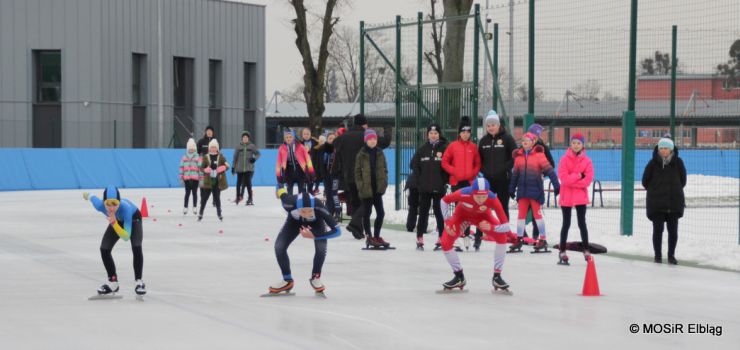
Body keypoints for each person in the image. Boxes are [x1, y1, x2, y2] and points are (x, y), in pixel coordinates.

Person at [438, 178, 515, 292]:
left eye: (484, 197)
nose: (481, 200)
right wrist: (448, 221)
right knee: (445, 242)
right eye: (478, 196)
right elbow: (444, 201)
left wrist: (492, 228)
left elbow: (506, 226)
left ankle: (497, 277)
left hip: (483, 218)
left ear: (488, 193)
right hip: (461, 217)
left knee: (502, 236)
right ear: (471, 193)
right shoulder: (463, 193)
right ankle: (459, 276)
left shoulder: (492, 198)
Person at [267, 188, 342, 295]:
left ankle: (316, 277)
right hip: (294, 222)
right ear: (297, 207)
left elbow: (338, 231)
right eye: (303, 211)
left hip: (317, 224)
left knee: (321, 248)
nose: (307, 214)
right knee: (279, 246)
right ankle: (287, 280)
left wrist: (315, 236)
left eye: (309, 210)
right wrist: (278, 189)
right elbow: (281, 190)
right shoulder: (288, 202)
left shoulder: (319, 206)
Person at [334, 114, 390, 238]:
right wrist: (387, 127)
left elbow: (335, 144)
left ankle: (358, 231)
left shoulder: (343, 137)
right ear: (364, 124)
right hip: (365, 177)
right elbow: (385, 142)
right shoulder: (366, 136)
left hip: (348, 176)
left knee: (355, 204)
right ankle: (355, 225)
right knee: (365, 204)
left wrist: (341, 130)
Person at [83, 186, 146, 296]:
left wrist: (114, 223)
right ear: (103, 203)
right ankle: (113, 282)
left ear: (119, 202)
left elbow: (126, 237)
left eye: (115, 204)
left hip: (133, 219)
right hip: (116, 221)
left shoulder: (125, 208)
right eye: (108, 204)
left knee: (136, 246)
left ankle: (139, 281)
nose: (111, 208)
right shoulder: (99, 205)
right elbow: (91, 196)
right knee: (104, 249)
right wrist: (86, 195)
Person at [509, 132, 560, 253]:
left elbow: (550, 171)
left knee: (537, 216)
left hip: (535, 192)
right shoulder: (518, 158)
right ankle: (519, 239)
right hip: (522, 192)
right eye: (523, 140)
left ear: (533, 142)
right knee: (520, 216)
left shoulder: (539, 156)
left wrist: (557, 185)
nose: (524, 142)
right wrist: (511, 189)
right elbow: (515, 175)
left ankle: (542, 239)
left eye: (527, 140)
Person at [642, 136, 686, 265]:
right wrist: (655, 190)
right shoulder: (652, 163)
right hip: (656, 204)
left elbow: (683, 181)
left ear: (671, 149)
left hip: (674, 202)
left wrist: (674, 190)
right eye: (661, 148)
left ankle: (671, 255)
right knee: (658, 230)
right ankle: (658, 256)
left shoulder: (679, 163)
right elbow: (645, 181)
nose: (663, 150)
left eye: (666, 148)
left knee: (673, 231)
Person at [477, 110, 517, 251]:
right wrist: (484, 170)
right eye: (488, 126)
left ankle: (505, 232)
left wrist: (506, 168)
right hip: (488, 180)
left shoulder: (507, 138)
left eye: (493, 125)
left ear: (498, 125)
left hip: (503, 179)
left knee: (502, 206)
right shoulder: (483, 141)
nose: (491, 128)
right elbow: (478, 159)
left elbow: (515, 155)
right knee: (484, 206)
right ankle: (484, 232)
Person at [441, 116, 480, 249]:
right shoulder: (452, 146)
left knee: (468, 209)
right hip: (456, 182)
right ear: (459, 133)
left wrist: (473, 173)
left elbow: (478, 163)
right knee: (458, 209)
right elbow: (444, 162)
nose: (465, 134)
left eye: (468, 132)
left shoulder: (473, 147)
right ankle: (456, 236)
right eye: (463, 132)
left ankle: (466, 235)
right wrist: (454, 171)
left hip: (469, 183)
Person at [557, 133, 594, 265]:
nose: (576, 145)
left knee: (582, 223)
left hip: (580, 197)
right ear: (570, 144)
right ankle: (562, 250)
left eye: (579, 143)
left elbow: (587, 181)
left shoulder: (587, 161)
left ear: (582, 145)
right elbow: (564, 179)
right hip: (566, 196)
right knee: (565, 224)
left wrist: (573, 180)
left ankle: (586, 249)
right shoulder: (564, 160)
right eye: (574, 143)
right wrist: (579, 175)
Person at [411, 123, 449, 251]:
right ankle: (419, 237)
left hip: (439, 188)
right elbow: (414, 165)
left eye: (436, 133)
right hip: (425, 188)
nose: (433, 135)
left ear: (439, 134)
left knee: (439, 213)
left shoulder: (445, 148)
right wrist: (420, 181)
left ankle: (441, 238)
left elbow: (448, 166)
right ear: (427, 135)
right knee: (423, 213)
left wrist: (444, 181)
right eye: (431, 133)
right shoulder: (422, 149)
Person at [354, 129, 390, 248]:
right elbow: (357, 172)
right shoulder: (361, 154)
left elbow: (385, 168)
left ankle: (377, 236)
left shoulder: (380, 152)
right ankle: (369, 237)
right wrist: (361, 186)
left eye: (374, 139)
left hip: (377, 189)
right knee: (367, 213)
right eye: (370, 139)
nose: (372, 141)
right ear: (366, 140)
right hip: (366, 189)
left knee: (381, 213)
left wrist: (384, 182)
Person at [525, 123, 555, 240]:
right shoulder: (524, 146)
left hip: (537, 183)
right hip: (525, 183)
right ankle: (521, 235)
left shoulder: (543, 148)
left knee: (535, 209)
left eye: (538, 135)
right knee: (524, 208)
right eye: (534, 135)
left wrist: (543, 173)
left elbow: (551, 164)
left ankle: (536, 234)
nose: (536, 137)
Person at [276, 130, 315, 195]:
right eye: (287, 137)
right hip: (288, 171)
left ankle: (302, 203)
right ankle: (290, 204)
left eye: (290, 137)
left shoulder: (300, 146)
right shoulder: (281, 148)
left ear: (293, 138)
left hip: (300, 170)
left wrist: (311, 171)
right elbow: (278, 163)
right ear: (284, 138)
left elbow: (308, 159)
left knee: (302, 191)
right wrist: (278, 175)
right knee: (289, 191)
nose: (288, 139)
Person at [199, 139, 229, 221]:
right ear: (209, 148)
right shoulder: (206, 157)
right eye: (211, 147)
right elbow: (201, 168)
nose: (213, 149)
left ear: (217, 148)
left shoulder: (221, 156)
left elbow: (227, 166)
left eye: (214, 147)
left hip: (217, 182)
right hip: (208, 182)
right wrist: (206, 169)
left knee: (217, 199)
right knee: (204, 198)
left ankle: (219, 213)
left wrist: (221, 168)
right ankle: (201, 212)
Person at [232, 131, 260, 205]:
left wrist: (254, 159)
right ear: (242, 138)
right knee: (238, 183)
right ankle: (238, 197)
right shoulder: (238, 146)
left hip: (249, 168)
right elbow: (235, 157)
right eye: (244, 137)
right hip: (239, 168)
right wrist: (233, 167)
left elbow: (258, 154)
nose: (245, 138)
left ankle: (250, 198)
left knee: (248, 184)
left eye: (246, 137)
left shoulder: (252, 146)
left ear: (248, 138)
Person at [317, 132, 341, 219]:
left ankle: (338, 211)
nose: (332, 140)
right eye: (330, 138)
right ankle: (329, 212)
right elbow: (319, 162)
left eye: (333, 139)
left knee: (334, 193)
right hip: (326, 175)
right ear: (327, 139)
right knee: (328, 193)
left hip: (335, 176)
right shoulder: (322, 148)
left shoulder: (338, 148)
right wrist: (321, 174)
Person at [179, 138, 202, 215]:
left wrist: (201, 177)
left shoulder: (198, 157)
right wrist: (181, 177)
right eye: (190, 148)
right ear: (187, 149)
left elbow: (200, 168)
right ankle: (185, 207)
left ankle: (195, 207)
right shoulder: (184, 157)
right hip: (187, 179)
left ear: (195, 149)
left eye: (193, 148)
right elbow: (181, 167)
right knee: (187, 193)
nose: (191, 150)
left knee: (195, 193)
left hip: (195, 178)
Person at [299, 128, 320, 194]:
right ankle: (304, 197)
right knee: (303, 186)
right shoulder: (299, 144)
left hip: (313, 166)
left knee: (310, 185)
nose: (306, 135)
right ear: (302, 135)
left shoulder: (316, 143)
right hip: (303, 167)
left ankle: (311, 195)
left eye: (308, 134)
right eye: (304, 134)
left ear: (310, 134)